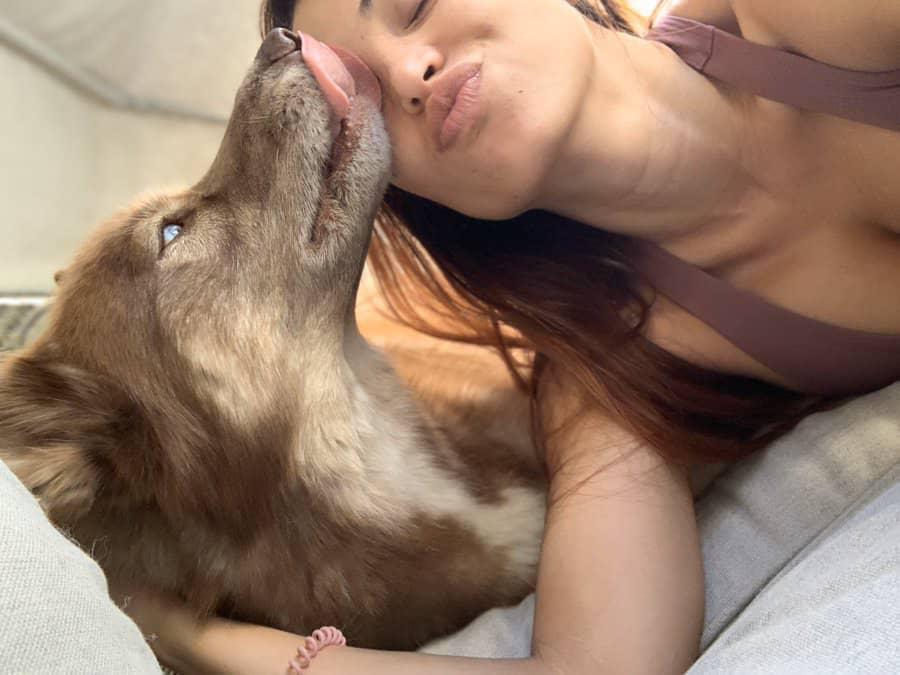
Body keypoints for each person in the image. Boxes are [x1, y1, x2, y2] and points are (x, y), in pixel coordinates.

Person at [121, 0, 900, 673]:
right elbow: (601, 665)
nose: (410, 74)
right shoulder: (614, 375)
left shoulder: (800, 22)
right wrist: (193, 637)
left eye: (415, 2)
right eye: (367, 99)